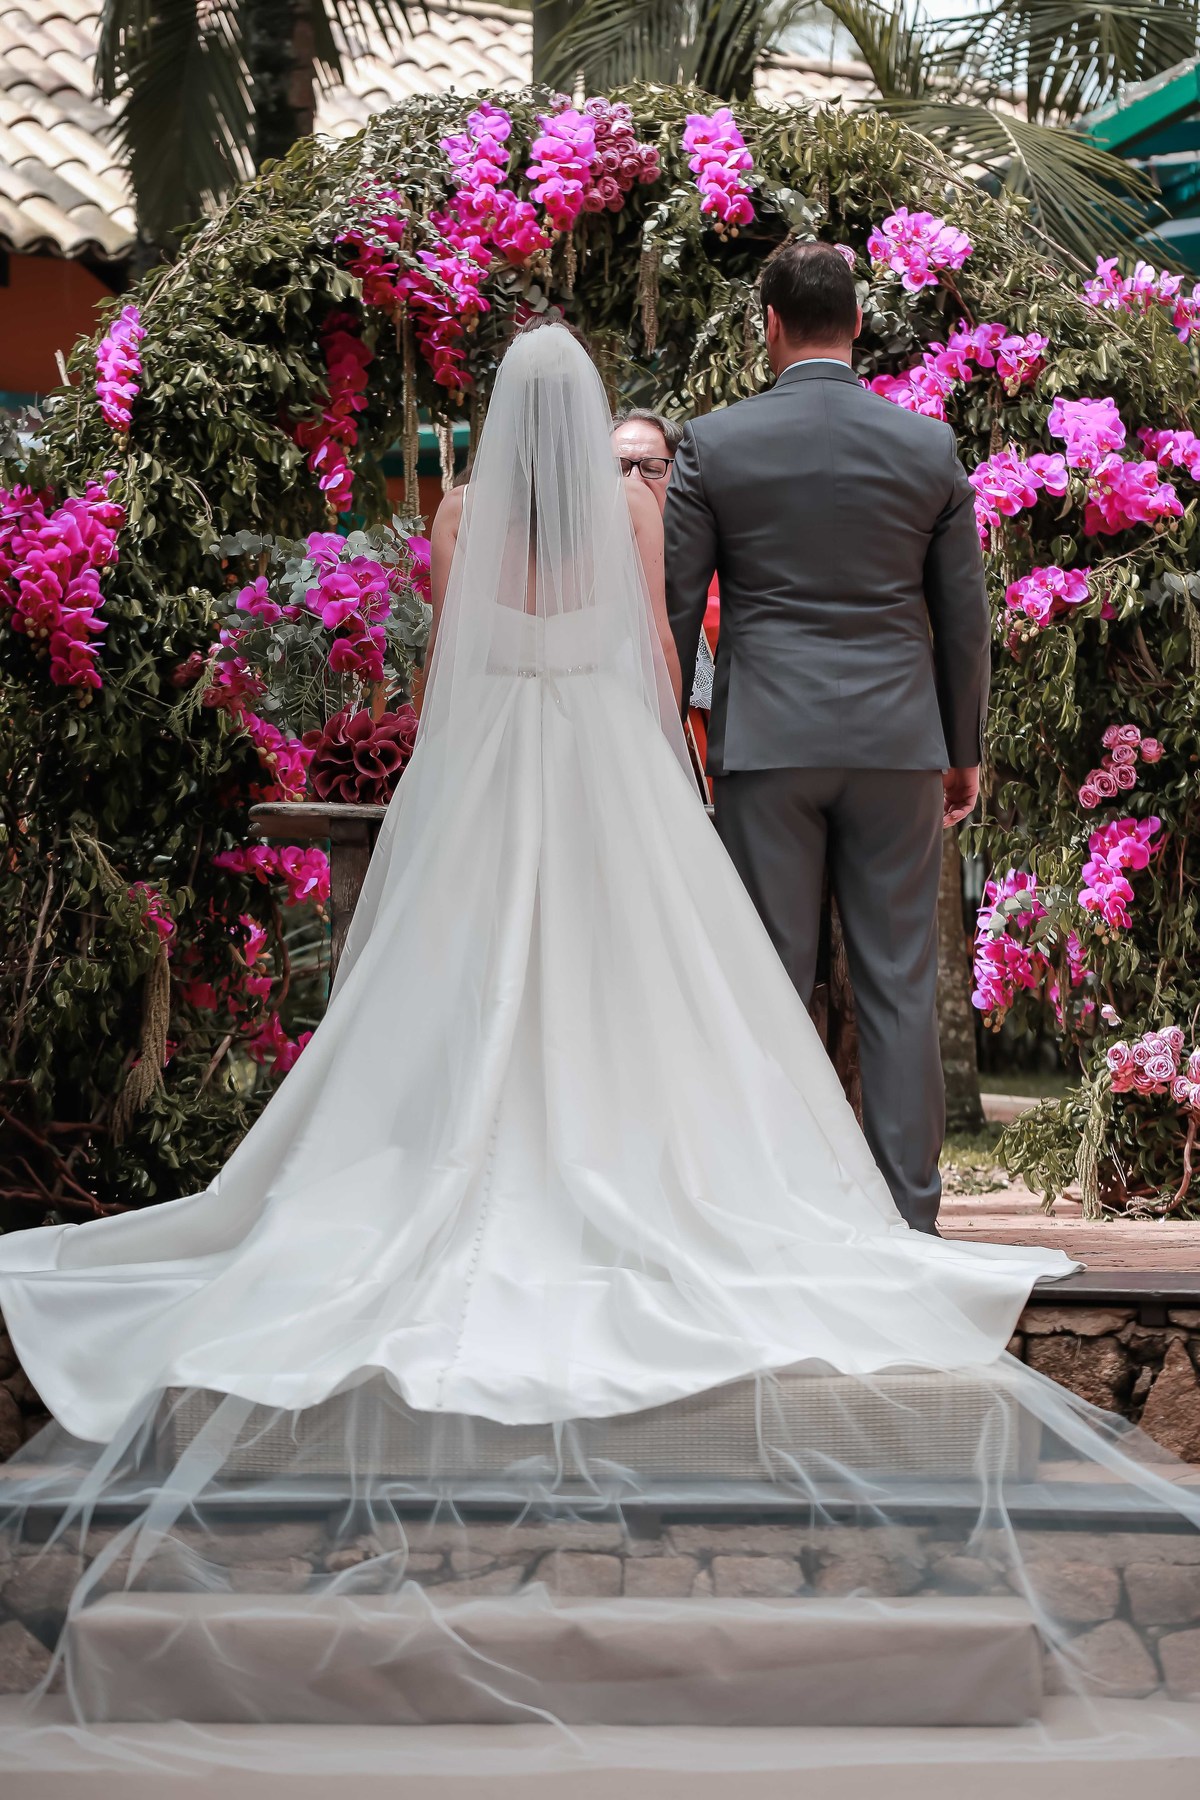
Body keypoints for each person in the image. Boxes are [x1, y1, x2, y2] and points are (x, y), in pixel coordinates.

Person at [1, 317, 1199, 1783]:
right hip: (608, 770)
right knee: (652, 989)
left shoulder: (458, 509)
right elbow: (654, 655)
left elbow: (452, 666)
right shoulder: (639, 502)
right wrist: (656, 793)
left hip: (493, 766)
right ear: (595, 421)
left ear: (504, 422)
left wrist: (449, 770)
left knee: (464, 993)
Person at [665, 241, 987, 1236]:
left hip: (768, 746)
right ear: (857, 324)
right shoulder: (927, 449)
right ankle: (910, 1224)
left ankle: (774, 1216)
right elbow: (964, 617)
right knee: (898, 981)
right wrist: (962, 746)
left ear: (769, 323)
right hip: (897, 743)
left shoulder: (714, 445)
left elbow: (673, 614)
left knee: (769, 981)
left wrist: (667, 736)